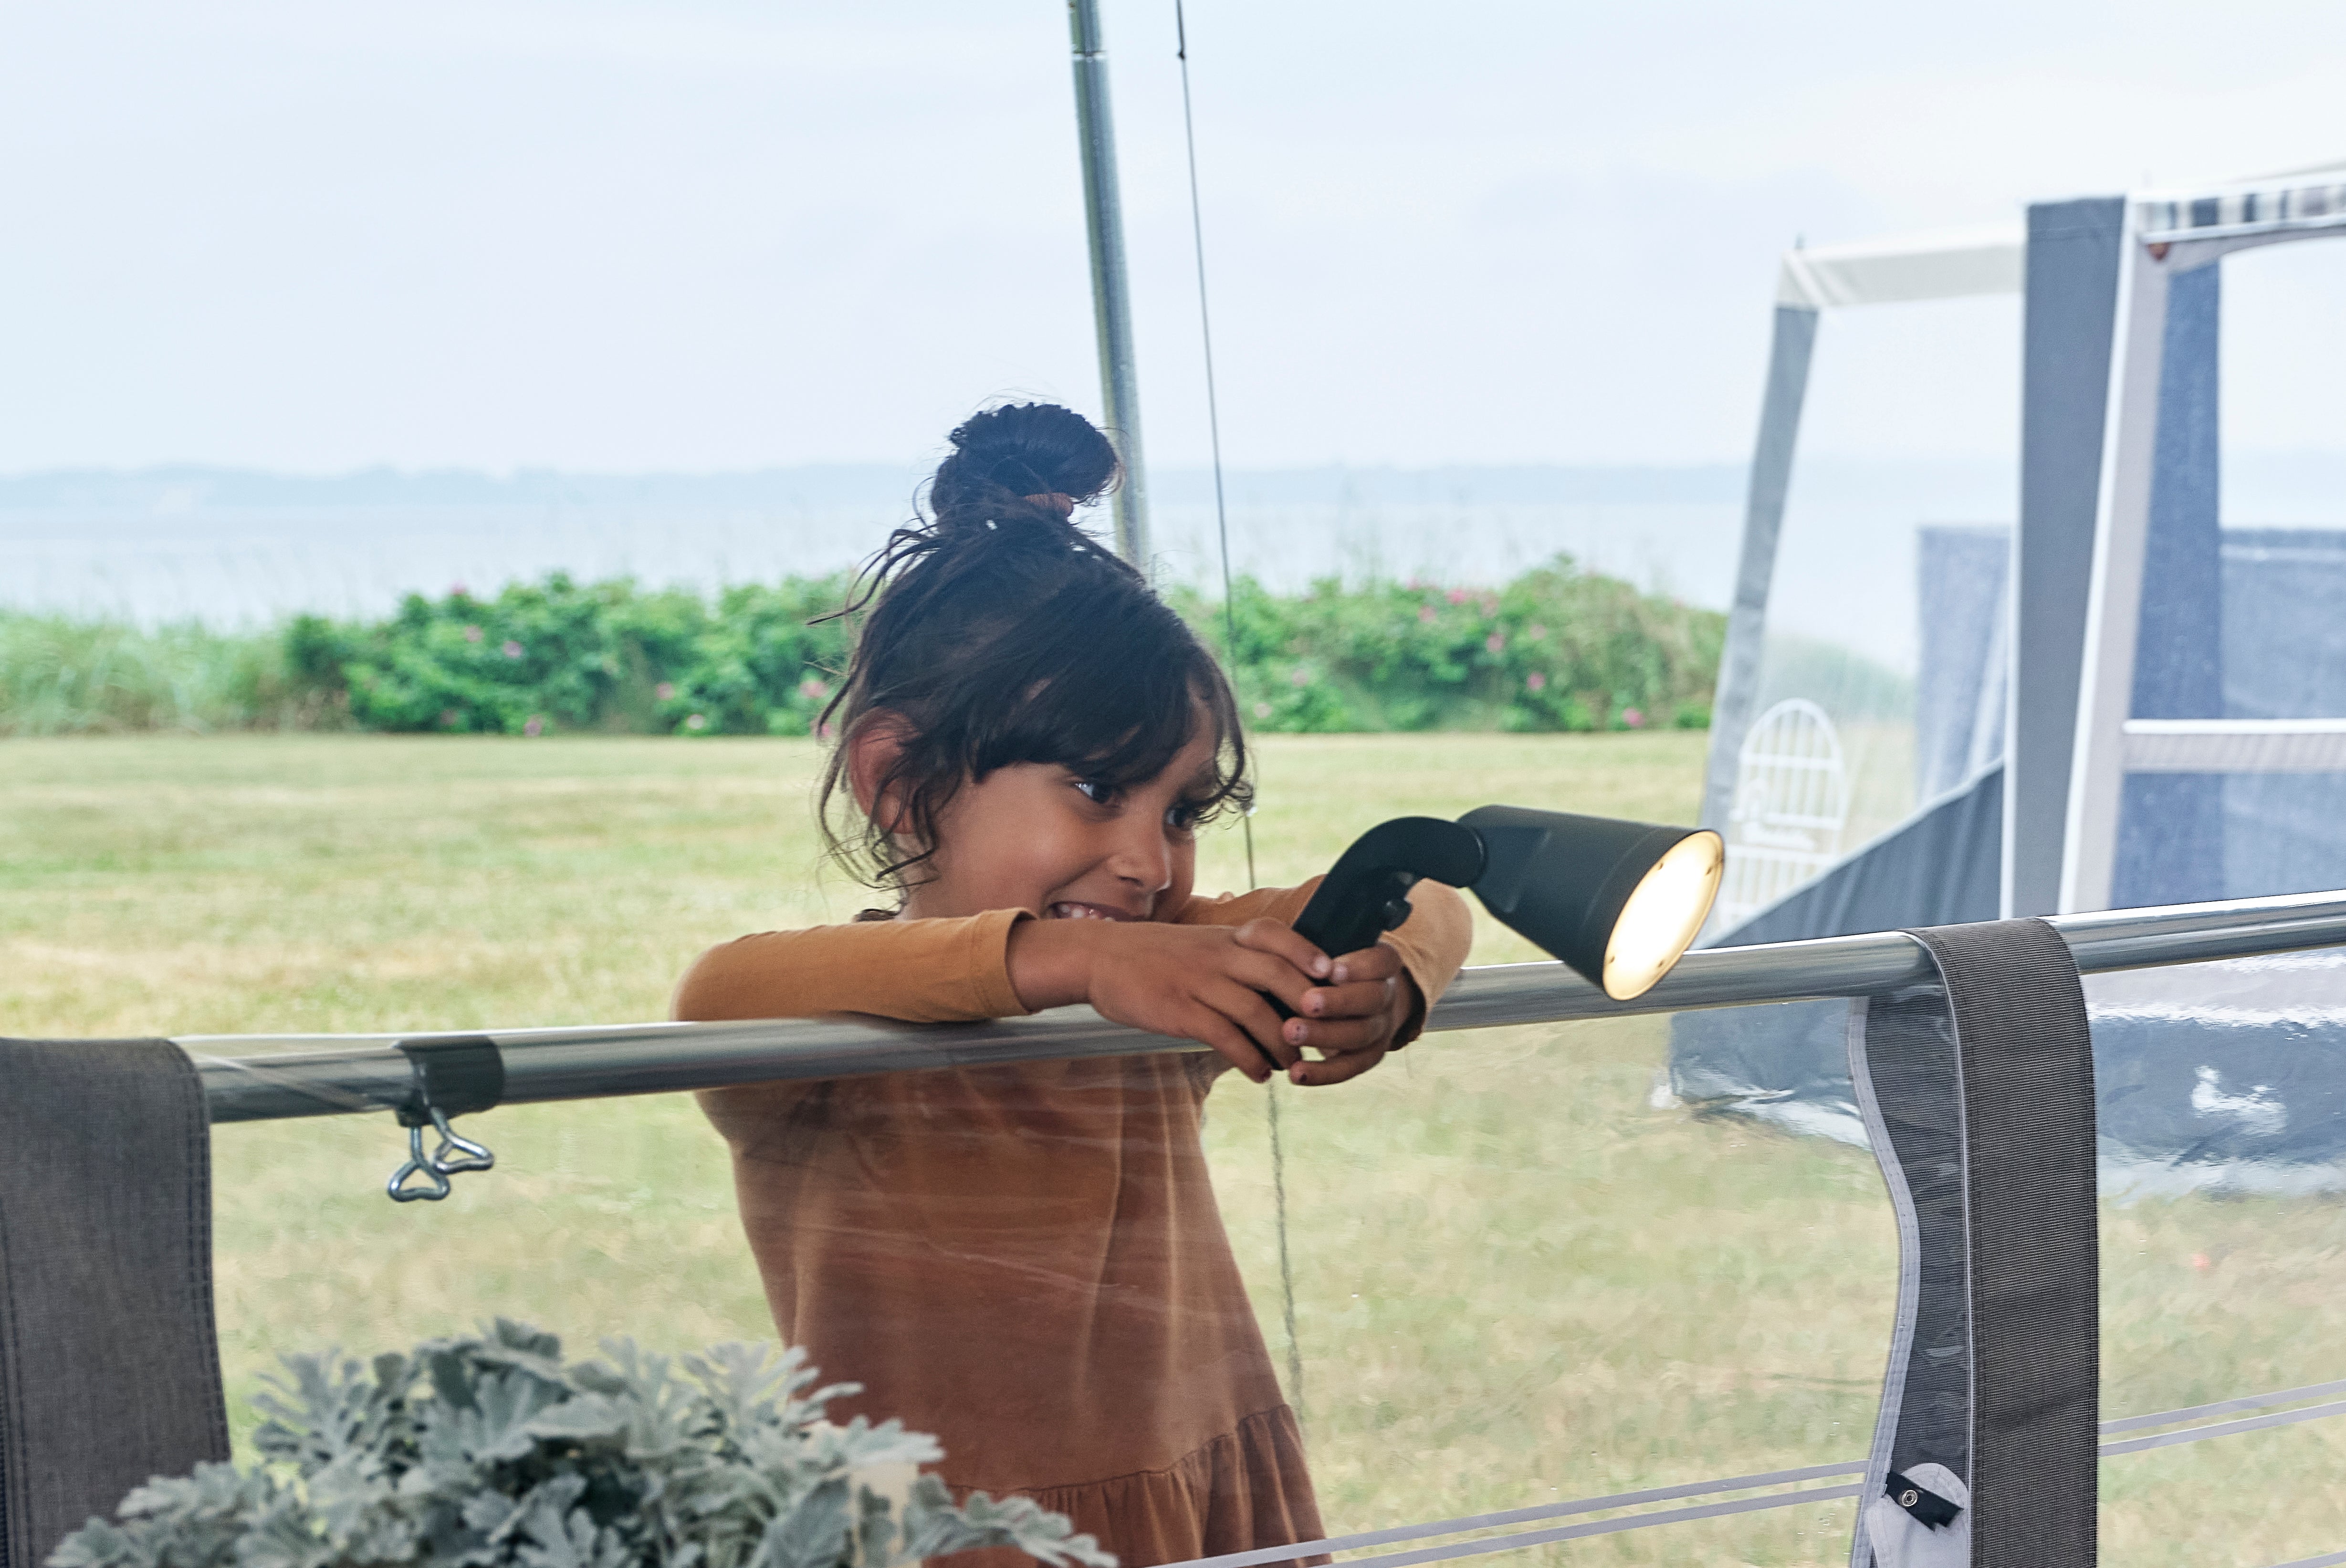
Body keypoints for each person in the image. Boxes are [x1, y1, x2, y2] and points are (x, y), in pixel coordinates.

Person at [674, 403, 1472, 1567]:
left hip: (1209, 1499)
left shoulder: (1173, 962)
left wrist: (1394, 974)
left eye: (1181, 810)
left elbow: (1421, 884)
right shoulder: (838, 1031)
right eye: (1099, 790)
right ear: (895, 779)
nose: (1150, 861)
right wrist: (1081, 961)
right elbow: (717, 990)